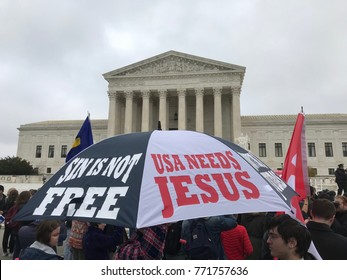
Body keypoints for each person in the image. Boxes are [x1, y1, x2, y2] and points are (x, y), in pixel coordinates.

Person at [1, 188, 18, 257]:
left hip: (7, 220)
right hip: (14, 221)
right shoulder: (17, 203)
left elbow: (4, 210)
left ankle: (4, 251)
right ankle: (11, 251)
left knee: (6, 235)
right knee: (12, 236)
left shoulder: (6, 200)